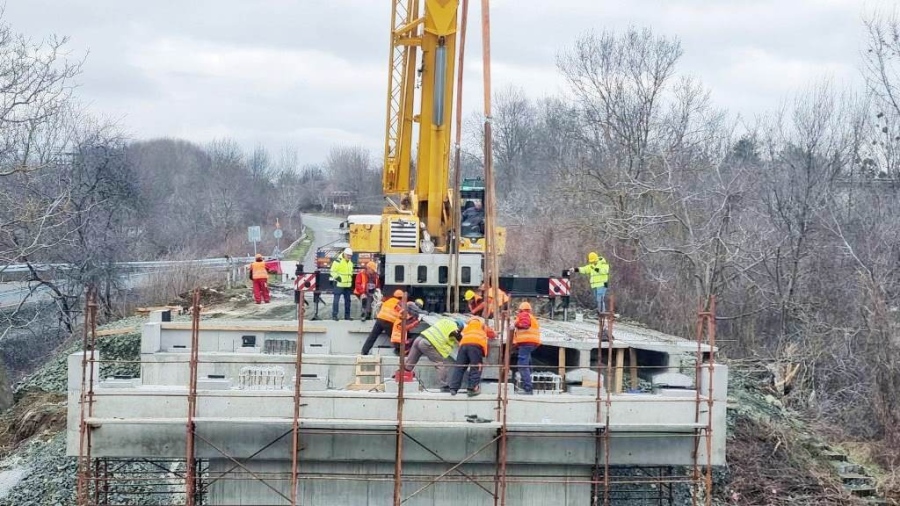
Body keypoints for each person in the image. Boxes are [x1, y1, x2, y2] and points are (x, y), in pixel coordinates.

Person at [404, 317, 463, 392]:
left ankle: (401, 377)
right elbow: (457, 336)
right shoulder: (454, 327)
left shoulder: (444, 321)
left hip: (419, 338)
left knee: (409, 364)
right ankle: (444, 385)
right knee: (440, 363)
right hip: (427, 343)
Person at [449, 316, 496, 397]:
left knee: (459, 367)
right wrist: (495, 333)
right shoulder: (482, 325)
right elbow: (492, 334)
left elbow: (460, 336)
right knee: (476, 366)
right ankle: (472, 388)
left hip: (463, 346)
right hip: (475, 346)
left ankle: (453, 388)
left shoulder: (467, 328)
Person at [361, 289, 404, 355]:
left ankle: (364, 351)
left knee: (373, 336)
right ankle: (398, 350)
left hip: (380, 319)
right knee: (395, 336)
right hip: (389, 321)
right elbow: (402, 315)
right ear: (401, 297)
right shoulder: (400, 303)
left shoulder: (388, 301)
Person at [513, 302, 541, 395]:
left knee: (522, 365)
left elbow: (525, 324)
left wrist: (515, 324)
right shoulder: (531, 316)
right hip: (531, 343)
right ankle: (530, 382)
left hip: (526, 342)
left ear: (521, 310)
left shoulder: (524, 314)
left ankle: (528, 388)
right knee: (527, 363)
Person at [330, 248, 354, 321]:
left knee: (348, 301)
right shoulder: (338, 261)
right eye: (348, 255)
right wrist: (337, 278)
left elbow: (350, 274)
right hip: (339, 284)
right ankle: (334, 315)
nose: (349, 257)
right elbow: (332, 271)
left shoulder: (350, 263)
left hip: (347, 286)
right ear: (344, 254)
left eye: (350, 256)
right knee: (336, 300)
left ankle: (347, 316)